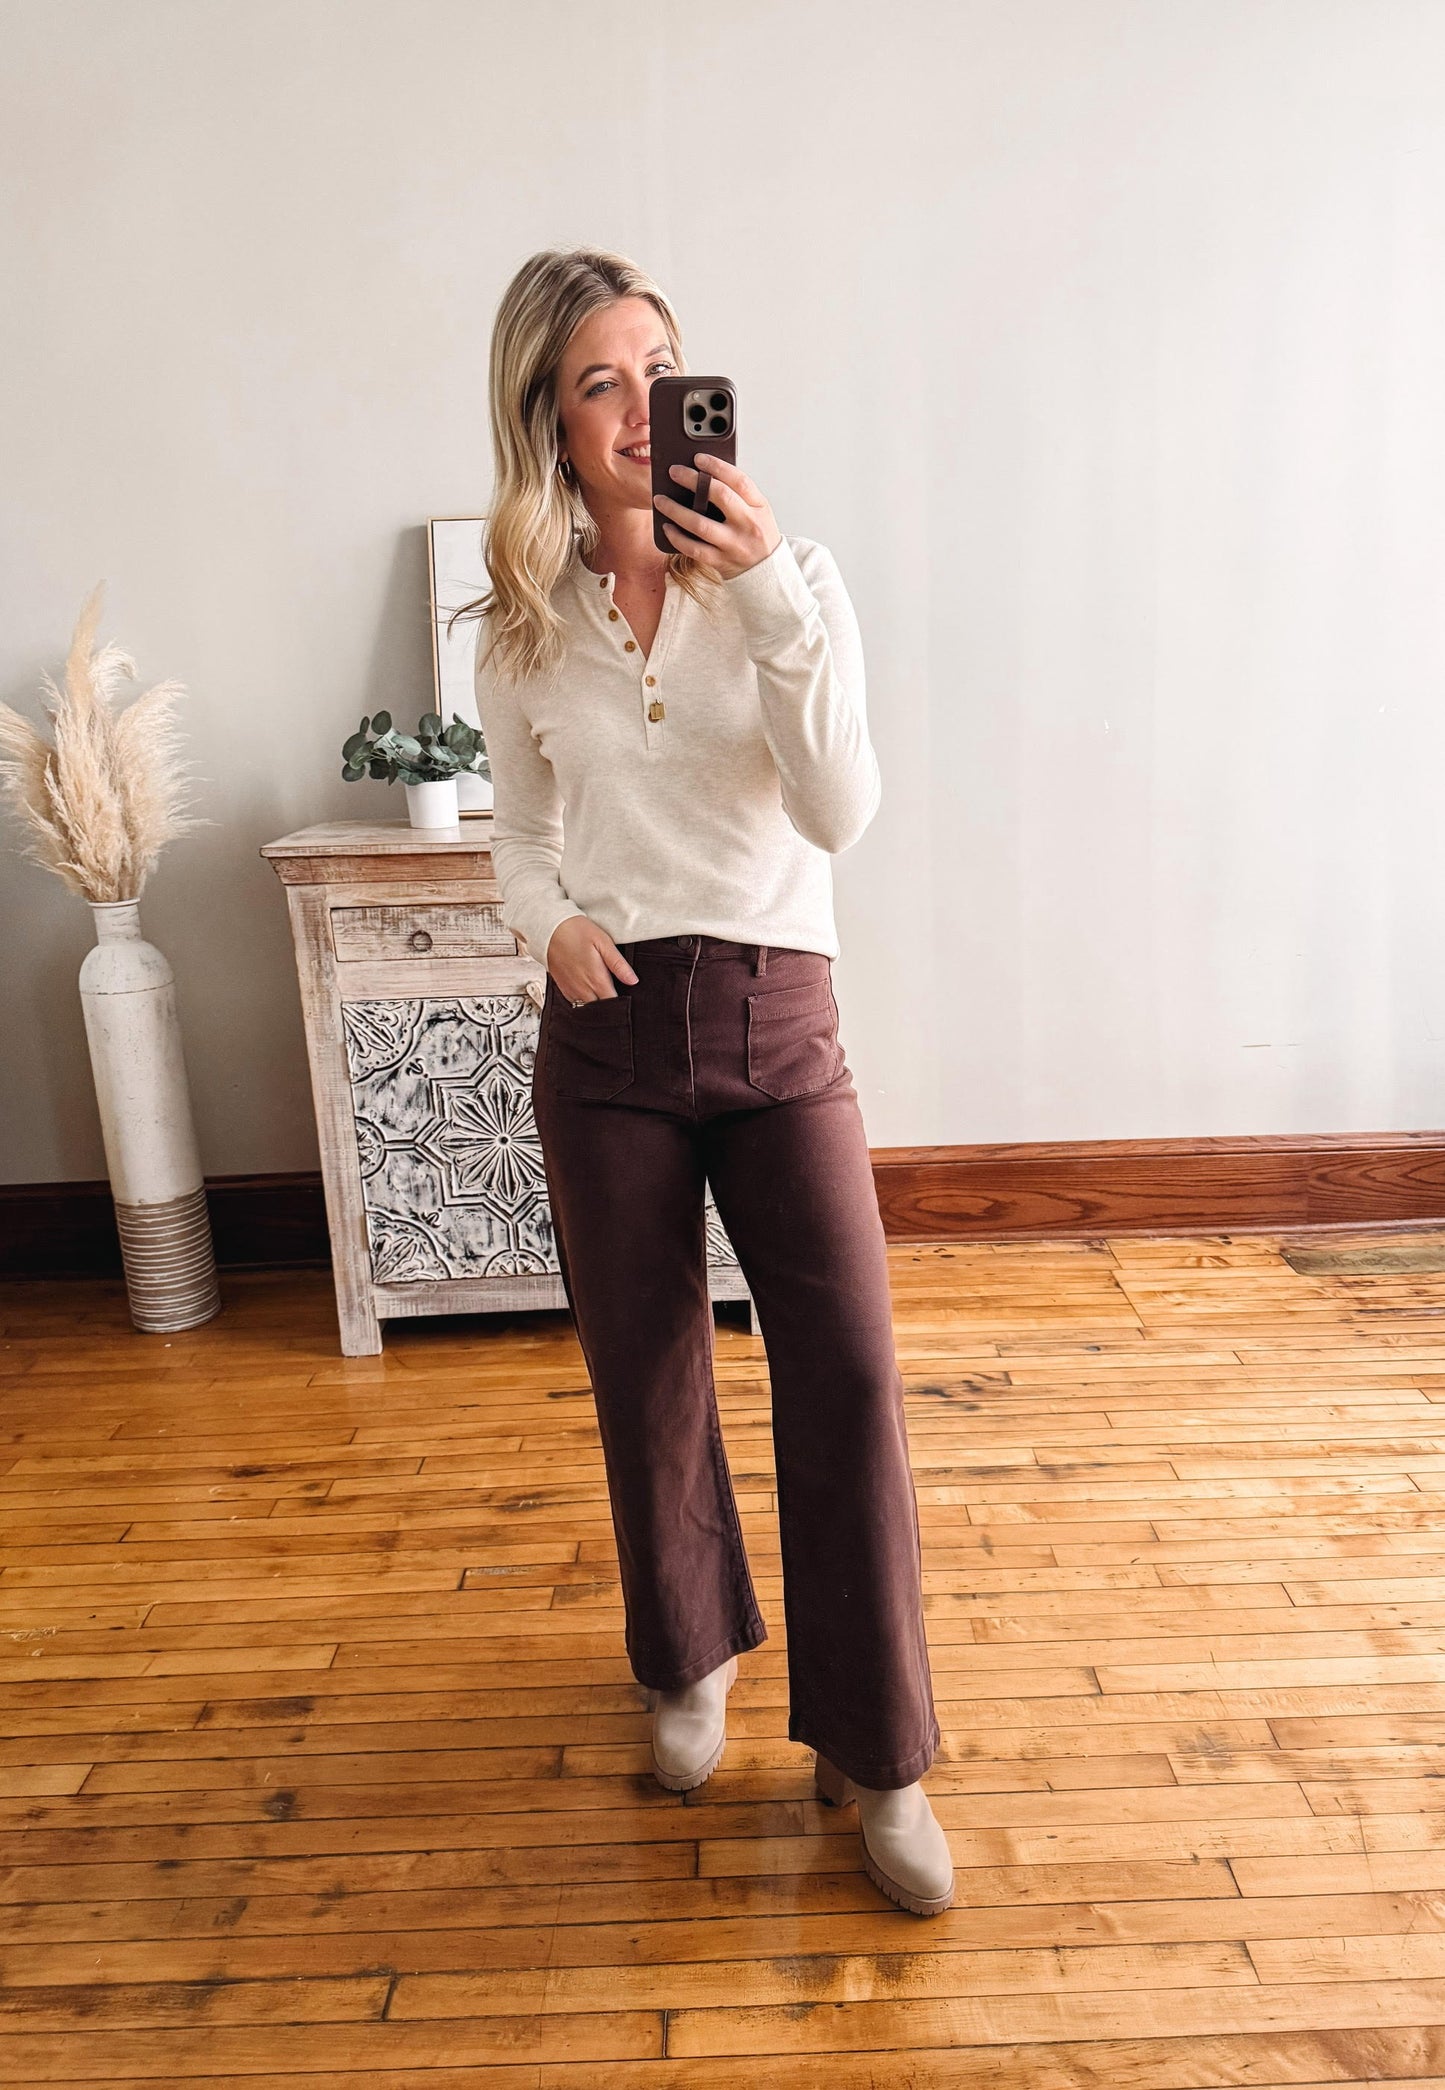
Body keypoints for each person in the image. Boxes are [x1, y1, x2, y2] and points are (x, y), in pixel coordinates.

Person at [461, 247, 953, 1917]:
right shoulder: (518, 623)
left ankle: (875, 1752)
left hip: (776, 1011)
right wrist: (552, 923)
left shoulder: (790, 575)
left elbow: (842, 810)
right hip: (605, 1035)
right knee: (645, 1369)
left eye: (659, 369)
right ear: (549, 415)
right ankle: (688, 1664)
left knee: (854, 1374)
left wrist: (768, 603)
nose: (638, 406)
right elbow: (523, 837)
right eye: (600, 379)